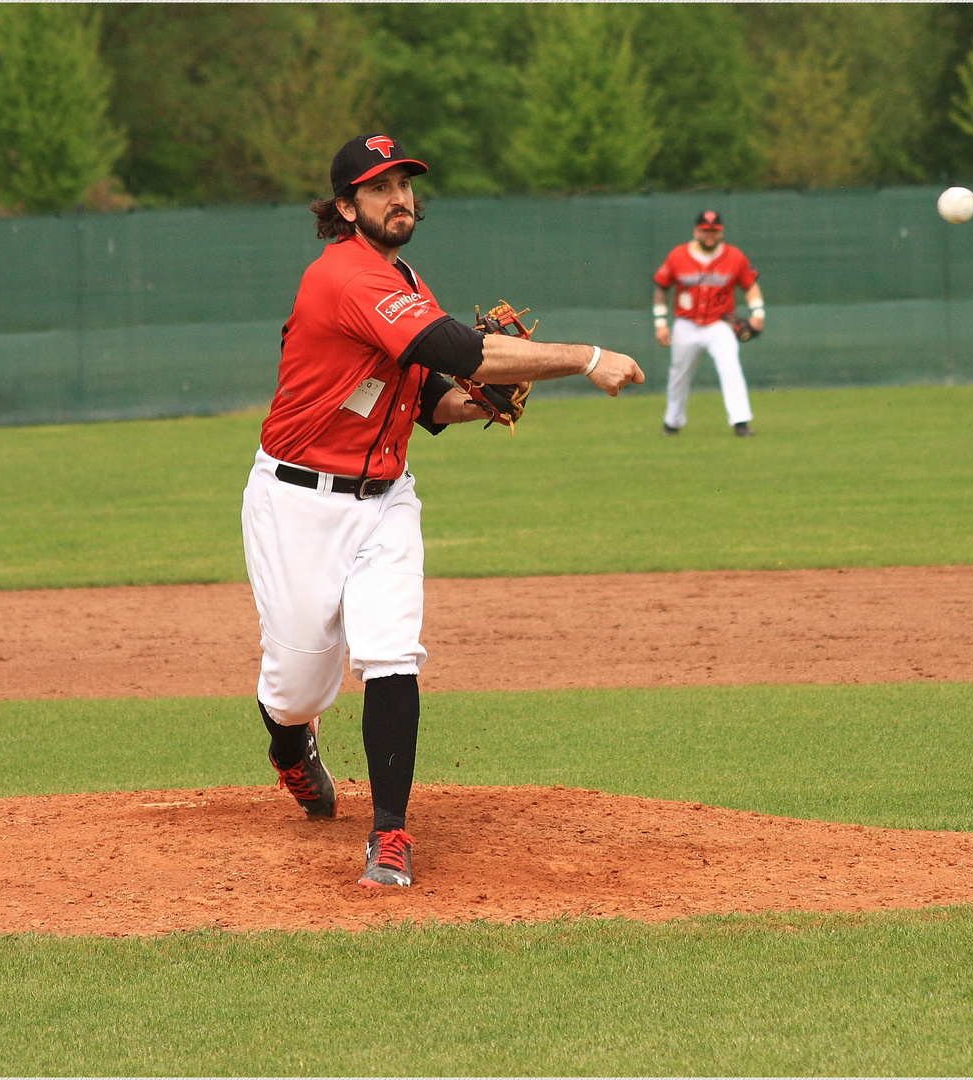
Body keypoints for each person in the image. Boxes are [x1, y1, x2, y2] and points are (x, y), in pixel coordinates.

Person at [244, 134, 643, 888]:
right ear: (343, 207)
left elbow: (426, 387)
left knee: (391, 653)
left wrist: (463, 405)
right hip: (296, 501)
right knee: (295, 691)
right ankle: (292, 750)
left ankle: (389, 835)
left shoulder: (404, 277)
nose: (398, 198)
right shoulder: (346, 277)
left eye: (405, 184)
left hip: (385, 497)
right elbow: (462, 346)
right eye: (378, 187)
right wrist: (586, 358)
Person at [652, 210, 765, 436]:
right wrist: (661, 322)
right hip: (686, 324)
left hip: (719, 324)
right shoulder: (678, 255)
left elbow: (750, 284)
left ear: (721, 231)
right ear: (696, 231)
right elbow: (662, 287)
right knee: (678, 374)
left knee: (730, 366)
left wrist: (758, 313)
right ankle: (672, 422)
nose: (710, 235)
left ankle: (740, 421)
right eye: (705, 230)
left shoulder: (734, 256)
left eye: (714, 231)